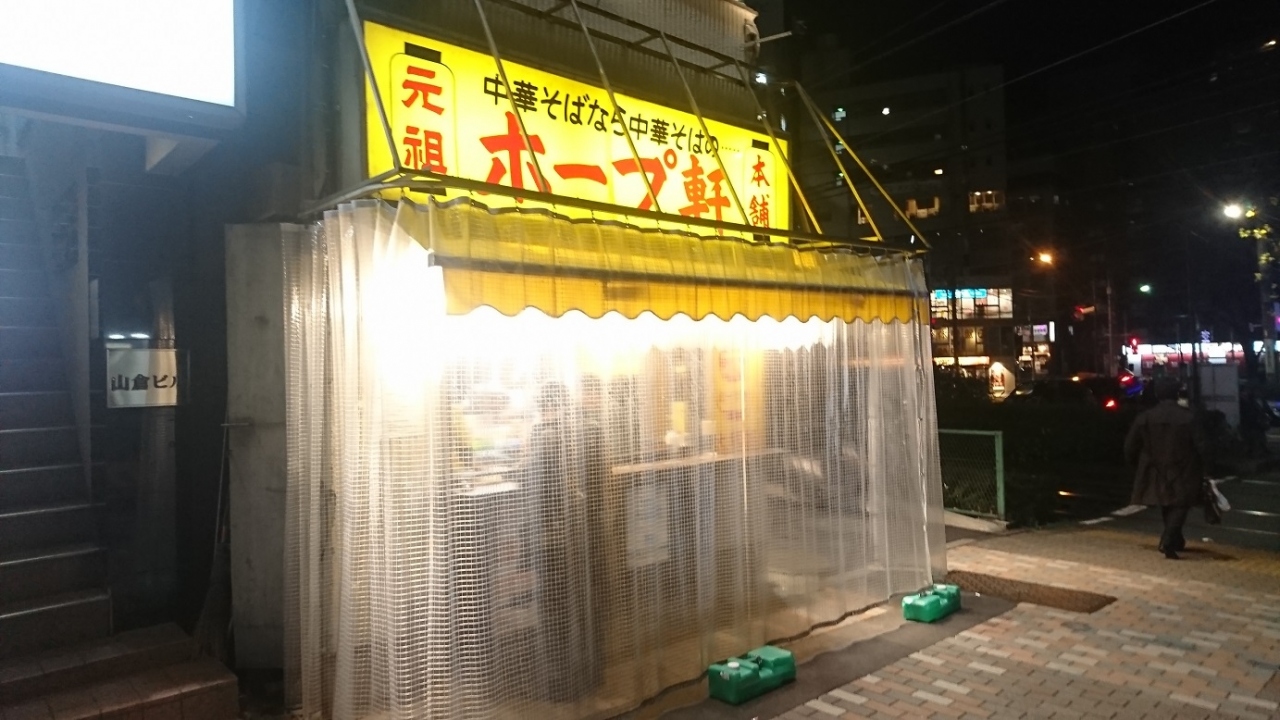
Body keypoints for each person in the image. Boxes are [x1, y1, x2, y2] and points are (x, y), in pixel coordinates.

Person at [1124, 381, 1209, 559]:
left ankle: (1175, 538)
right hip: (1184, 466)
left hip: (1155, 467)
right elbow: (1202, 446)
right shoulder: (1188, 417)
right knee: (1181, 503)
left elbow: (1130, 446)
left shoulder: (1145, 417)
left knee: (1167, 502)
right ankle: (1168, 539)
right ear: (1177, 394)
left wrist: (1136, 465)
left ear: (1157, 395)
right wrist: (1206, 467)